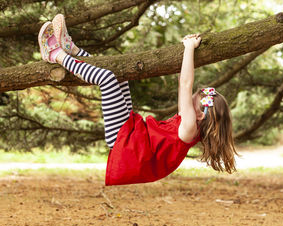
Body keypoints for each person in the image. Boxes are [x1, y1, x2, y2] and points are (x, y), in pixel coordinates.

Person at [38, 14, 237, 185]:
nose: (195, 92)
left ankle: (55, 55)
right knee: (120, 77)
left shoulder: (189, 127)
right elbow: (186, 86)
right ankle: (73, 50)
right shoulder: (188, 127)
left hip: (123, 141)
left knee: (106, 79)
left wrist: (189, 47)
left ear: (200, 114)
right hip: (132, 132)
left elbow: (185, 82)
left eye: (199, 95)